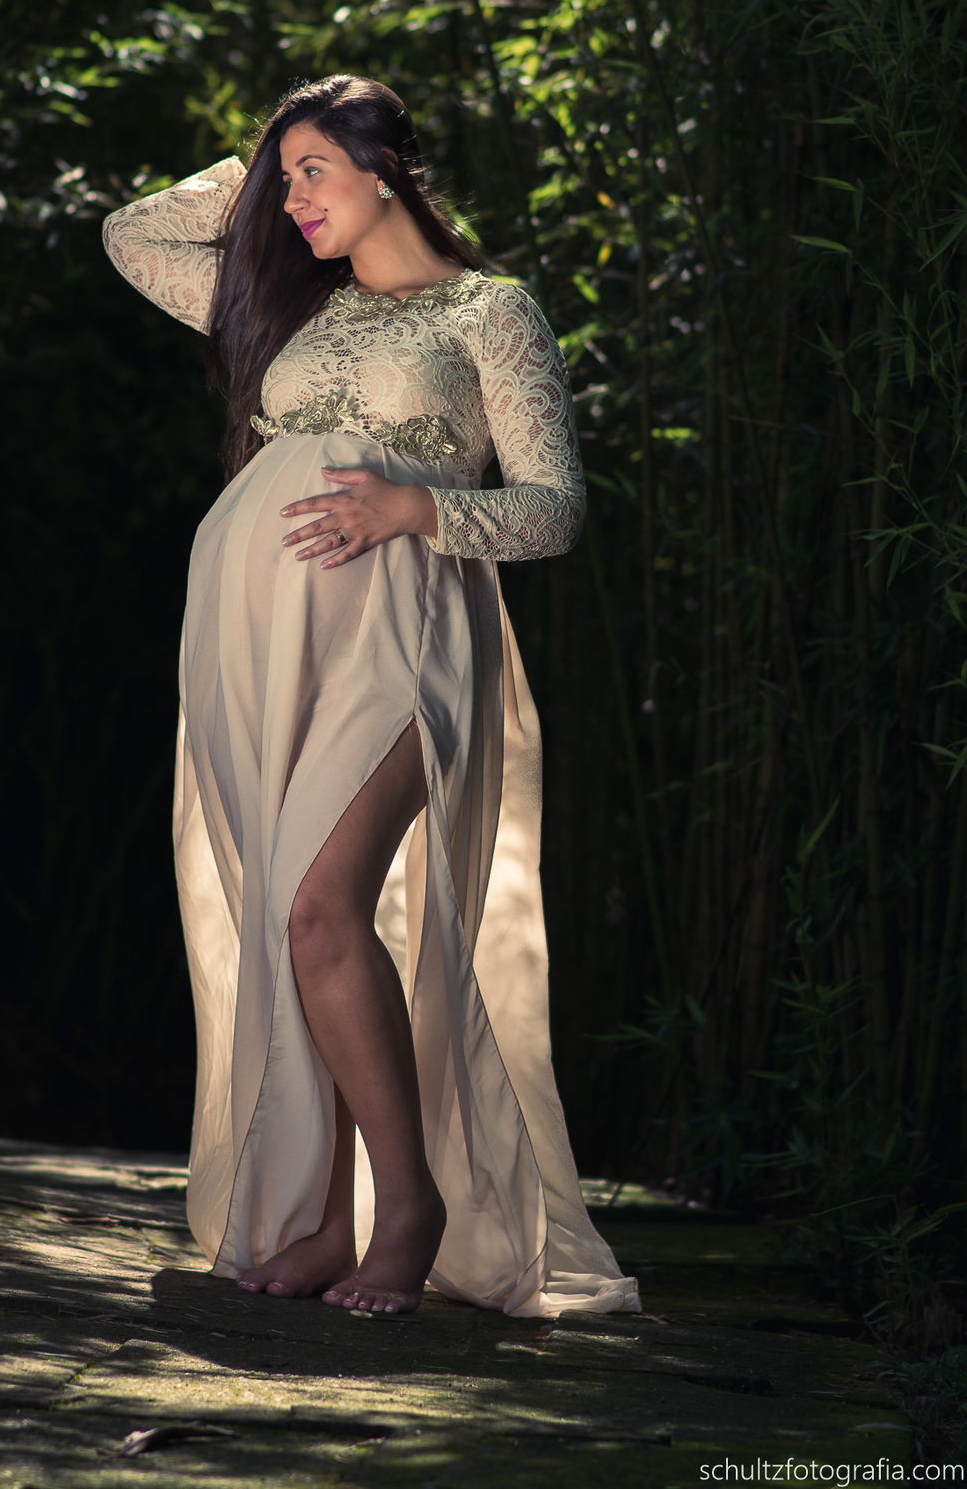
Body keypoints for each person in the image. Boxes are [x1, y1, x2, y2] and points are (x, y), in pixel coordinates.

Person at [102, 74, 639, 1318]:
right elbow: (131, 235)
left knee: (318, 902)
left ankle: (411, 1212)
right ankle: (325, 1220)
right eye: (283, 178)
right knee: (296, 921)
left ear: (385, 167)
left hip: (406, 630)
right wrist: (255, 176)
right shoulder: (292, 302)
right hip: (258, 642)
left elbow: (557, 509)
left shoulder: (490, 312)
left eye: (314, 172)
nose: (294, 201)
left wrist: (414, 508)